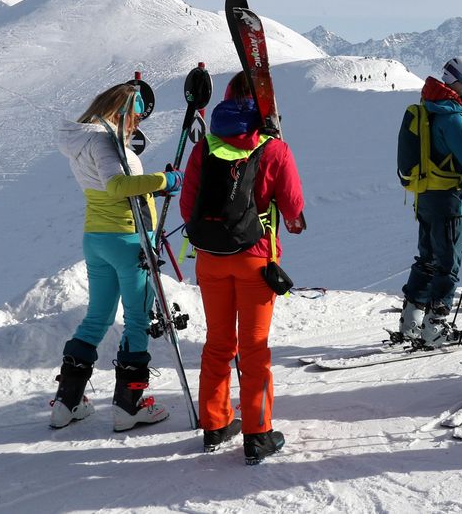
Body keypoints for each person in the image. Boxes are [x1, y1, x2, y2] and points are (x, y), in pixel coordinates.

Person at [180, 71, 306, 464]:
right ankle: (258, 433)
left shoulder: (205, 148)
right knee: (253, 348)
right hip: (255, 260)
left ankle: (215, 424)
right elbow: (294, 211)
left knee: (219, 343)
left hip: (209, 260)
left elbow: (188, 207)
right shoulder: (274, 149)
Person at [51, 82, 178, 431]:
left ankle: (67, 402)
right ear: (122, 110)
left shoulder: (81, 140)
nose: (137, 123)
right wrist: (164, 179)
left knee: (98, 318)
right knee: (137, 319)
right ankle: (128, 406)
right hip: (127, 238)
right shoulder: (103, 141)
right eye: (135, 115)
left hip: (97, 237)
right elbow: (118, 186)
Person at [396, 56, 462, 346]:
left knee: (427, 258)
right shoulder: (452, 117)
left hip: (426, 196)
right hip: (449, 199)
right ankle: (436, 326)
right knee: (448, 263)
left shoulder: (431, 109)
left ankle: (411, 320)